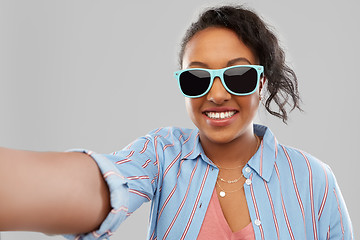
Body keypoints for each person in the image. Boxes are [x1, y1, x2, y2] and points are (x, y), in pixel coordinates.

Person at [0, 4, 353, 240]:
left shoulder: (313, 179)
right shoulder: (162, 155)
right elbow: (106, 184)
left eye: (239, 76)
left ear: (262, 83)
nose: (216, 95)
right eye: (197, 79)